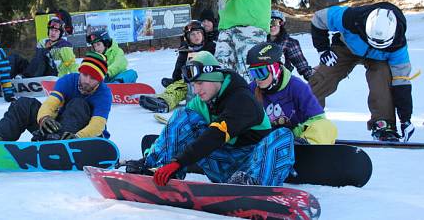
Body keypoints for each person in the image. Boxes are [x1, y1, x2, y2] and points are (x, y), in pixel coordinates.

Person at [128, 51, 294, 186]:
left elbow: (216, 134)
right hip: (224, 165)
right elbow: (175, 130)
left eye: (200, 83)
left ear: (214, 77)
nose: (196, 89)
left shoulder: (243, 99)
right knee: (182, 116)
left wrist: (180, 161)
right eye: (193, 85)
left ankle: (255, 185)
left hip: (253, 163)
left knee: (283, 135)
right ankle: (157, 168)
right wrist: (166, 160)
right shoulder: (201, 102)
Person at [309, 2, 415, 141]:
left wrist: (405, 119)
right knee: (324, 76)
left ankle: (383, 125)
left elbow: (401, 83)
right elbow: (319, 18)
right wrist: (322, 49)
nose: (374, 45)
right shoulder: (352, 18)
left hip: (379, 58)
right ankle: (302, 116)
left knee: (382, 78)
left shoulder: (398, 47)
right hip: (346, 46)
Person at [0, 52, 112, 141]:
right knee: (24, 104)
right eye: (85, 74)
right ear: (80, 72)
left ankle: (57, 142)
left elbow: (97, 125)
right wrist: (44, 119)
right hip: (54, 130)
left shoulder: (104, 94)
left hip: (81, 136)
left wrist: (78, 137)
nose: (87, 80)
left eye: (92, 78)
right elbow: (51, 103)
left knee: (79, 103)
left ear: (100, 80)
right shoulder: (68, 80)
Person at [246, 42, 337, 144]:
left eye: (261, 72)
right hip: (267, 141)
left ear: (275, 70)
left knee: (326, 126)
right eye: (253, 73)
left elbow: (318, 118)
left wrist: (295, 136)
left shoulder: (297, 87)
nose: (257, 79)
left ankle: (307, 148)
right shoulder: (251, 90)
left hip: (296, 139)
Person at [139, 20, 216, 113]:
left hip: (208, 80)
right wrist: (175, 80)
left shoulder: (212, 47)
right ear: (187, 37)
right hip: (189, 81)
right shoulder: (185, 51)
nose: (196, 36)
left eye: (198, 33)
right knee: (178, 88)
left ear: (203, 34)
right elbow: (178, 69)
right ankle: (163, 102)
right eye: (193, 34)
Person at [8, 15, 78, 78]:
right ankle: (8, 80)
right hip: (38, 71)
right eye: (51, 30)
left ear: (60, 34)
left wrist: (76, 78)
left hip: (54, 75)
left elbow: (71, 64)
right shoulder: (42, 42)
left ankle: (27, 77)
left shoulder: (64, 46)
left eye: (56, 31)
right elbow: (36, 60)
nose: (53, 33)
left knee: (43, 52)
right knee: (15, 57)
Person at [268, 10, 314, 81]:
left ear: (281, 23)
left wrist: (314, 79)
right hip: (261, 80)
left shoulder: (290, 43)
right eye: (269, 22)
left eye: (276, 22)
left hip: (282, 81)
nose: (272, 26)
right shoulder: (259, 41)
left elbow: (302, 66)